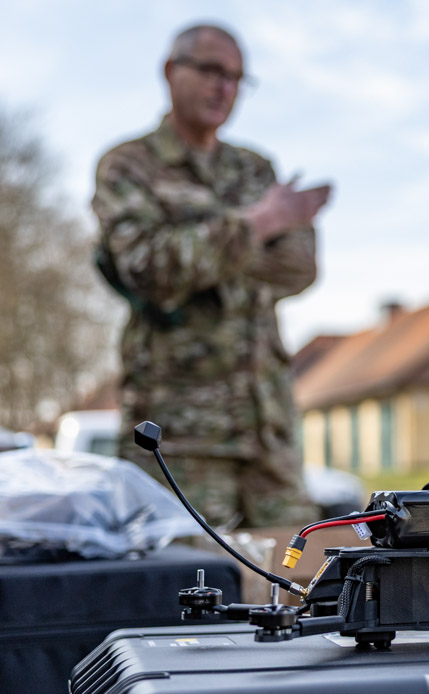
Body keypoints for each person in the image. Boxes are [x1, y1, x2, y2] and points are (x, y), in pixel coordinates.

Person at [92, 24, 331, 529]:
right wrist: (263, 222)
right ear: (170, 70)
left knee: (295, 581)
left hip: (268, 433)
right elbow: (148, 269)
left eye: (238, 78)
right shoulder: (128, 166)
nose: (225, 88)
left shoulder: (253, 169)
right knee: (186, 591)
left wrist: (200, 247)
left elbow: (300, 267)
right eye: (212, 71)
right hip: (178, 437)